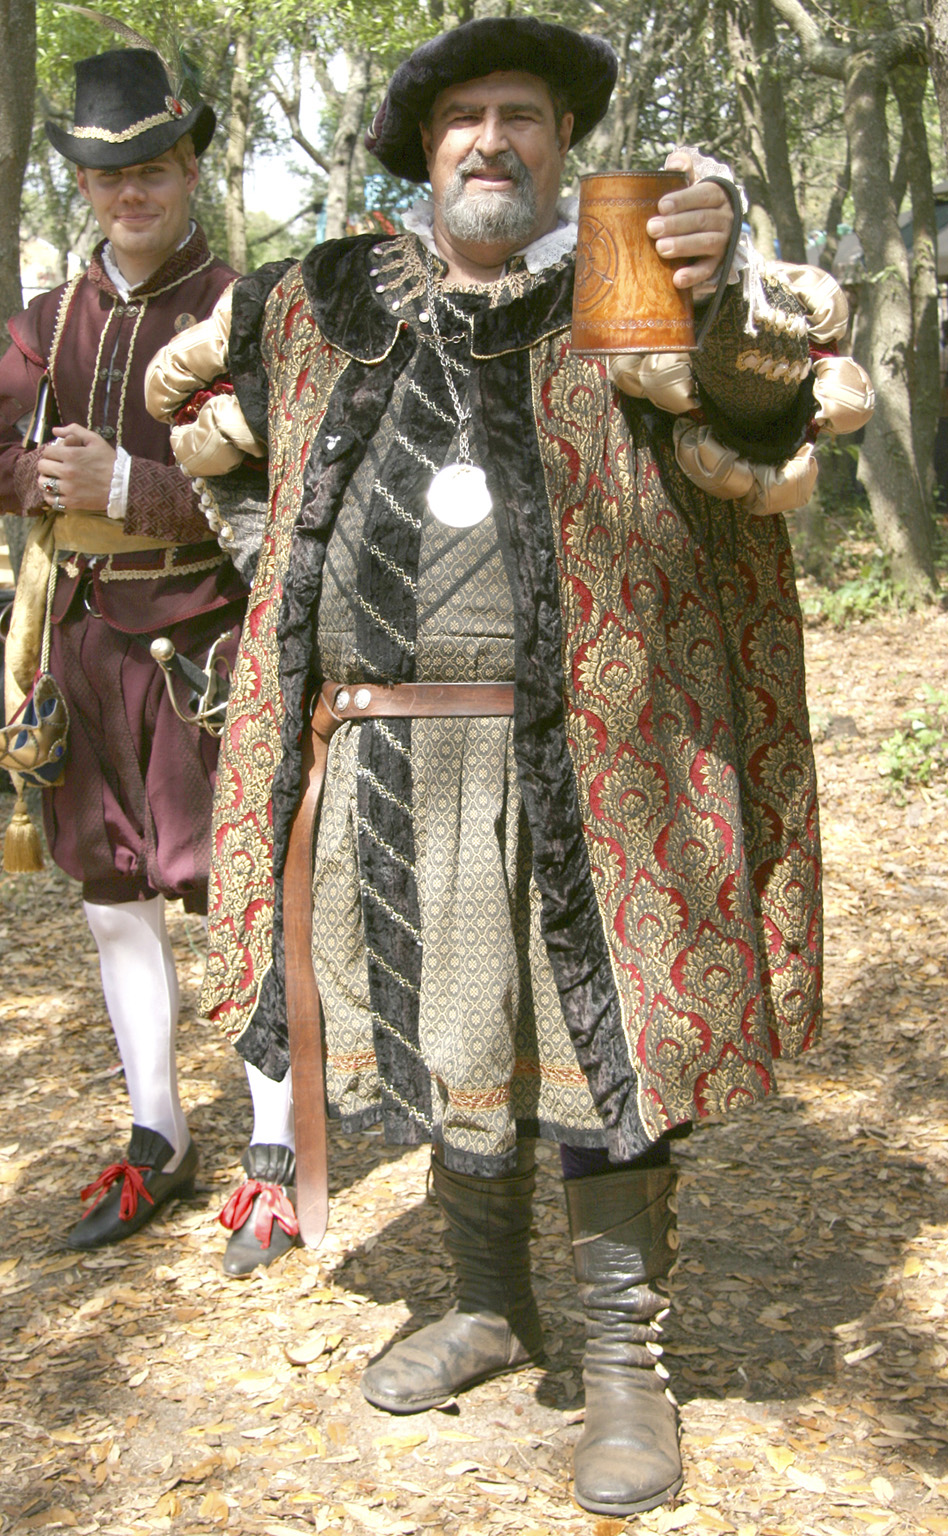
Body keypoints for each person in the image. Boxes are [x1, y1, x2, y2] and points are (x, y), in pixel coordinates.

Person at [146, 17, 871, 1514]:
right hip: (380, 753)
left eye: (524, 117)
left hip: (593, 761)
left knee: (597, 1057)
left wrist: (721, 270)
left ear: (562, 148)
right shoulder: (315, 304)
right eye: (464, 116)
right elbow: (222, 456)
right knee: (436, 1032)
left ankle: (621, 1368)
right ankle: (487, 1304)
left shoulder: (637, 292)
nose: (491, 139)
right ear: (423, 150)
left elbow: (761, 405)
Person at [0, 49, 299, 1270]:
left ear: (190, 166)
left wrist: (141, 488)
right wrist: (40, 478)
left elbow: (296, 486)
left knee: (243, 897)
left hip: (212, 649)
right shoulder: (42, 322)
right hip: (76, 649)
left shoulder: (256, 308)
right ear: (80, 181)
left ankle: (277, 1158)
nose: (132, 189)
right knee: (110, 897)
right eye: (108, 171)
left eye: (154, 166)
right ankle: (158, 1136)